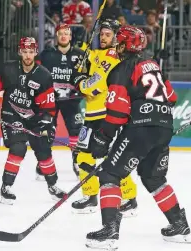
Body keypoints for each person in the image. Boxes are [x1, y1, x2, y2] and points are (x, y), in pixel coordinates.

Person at [85, 25, 190, 249]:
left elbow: (116, 112)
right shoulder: (154, 66)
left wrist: (102, 140)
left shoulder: (121, 69)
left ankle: (109, 232)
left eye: (118, 42)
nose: (116, 46)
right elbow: (170, 97)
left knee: (109, 174)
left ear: (123, 45)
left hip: (141, 128)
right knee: (154, 178)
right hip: (164, 127)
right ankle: (180, 226)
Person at [0, 37, 66, 205]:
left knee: (43, 149)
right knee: (18, 148)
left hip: (34, 118)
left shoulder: (43, 76)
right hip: (11, 114)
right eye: (25, 52)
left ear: (36, 52)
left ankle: (53, 186)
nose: (28, 56)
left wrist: (45, 123)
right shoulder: (8, 69)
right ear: (20, 52)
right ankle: (6, 188)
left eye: (31, 52)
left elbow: (48, 107)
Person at [70, 19, 139, 216]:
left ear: (117, 38)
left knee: (109, 159)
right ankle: (90, 195)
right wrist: (80, 61)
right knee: (82, 155)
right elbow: (85, 62)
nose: (103, 37)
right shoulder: (97, 53)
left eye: (108, 34)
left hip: (106, 115)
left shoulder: (113, 57)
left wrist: (80, 81)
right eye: (101, 34)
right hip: (91, 115)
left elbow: (92, 85)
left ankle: (129, 198)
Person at [36, 23, 84, 180]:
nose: (64, 36)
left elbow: (87, 76)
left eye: (67, 33)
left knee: (76, 130)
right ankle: (44, 162)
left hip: (72, 99)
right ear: (57, 36)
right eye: (61, 33)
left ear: (71, 36)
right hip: (52, 99)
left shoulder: (80, 55)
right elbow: (37, 74)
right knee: (48, 129)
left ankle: (77, 161)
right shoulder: (46, 54)